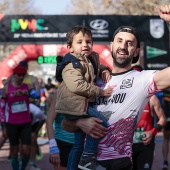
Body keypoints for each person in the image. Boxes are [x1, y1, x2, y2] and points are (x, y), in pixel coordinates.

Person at [61, 5, 170, 170]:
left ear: (136, 51)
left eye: (129, 43)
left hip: (119, 163)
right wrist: (82, 123)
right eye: (119, 41)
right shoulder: (90, 79)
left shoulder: (142, 79)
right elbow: (65, 124)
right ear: (111, 45)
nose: (123, 46)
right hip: (84, 164)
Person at [55, 25, 112, 170]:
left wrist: (104, 69)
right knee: (102, 123)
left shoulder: (89, 59)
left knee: (79, 143)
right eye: (79, 42)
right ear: (70, 47)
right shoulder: (71, 64)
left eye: (88, 41)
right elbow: (77, 86)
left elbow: (96, 67)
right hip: (76, 106)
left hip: (81, 105)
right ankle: (88, 157)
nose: (85, 45)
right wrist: (100, 92)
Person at [132, 65, 166, 170]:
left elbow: (162, 119)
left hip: (145, 146)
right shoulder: (123, 99)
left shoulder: (151, 98)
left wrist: (153, 132)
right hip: (126, 147)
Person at [1, 64, 32, 170]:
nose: (21, 77)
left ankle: (22, 168)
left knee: (27, 150)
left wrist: (26, 93)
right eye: (19, 75)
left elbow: (36, 96)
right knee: (14, 150)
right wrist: (3, 126)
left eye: (23, 75)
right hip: (12, 124)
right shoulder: (6, 89)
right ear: (14, 75)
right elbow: (2, 108)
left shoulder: (27, 86)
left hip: (26, 122)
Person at [47, 91, 74, 170]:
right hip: (63, 143)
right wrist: (53, 147)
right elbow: (49, 121)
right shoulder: (60, 93)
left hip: (82, 144)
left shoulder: (87, 89)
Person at [161, 88, 170, 170]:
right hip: (168, 118)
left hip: (167, 117)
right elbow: (163, 104)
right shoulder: (165, 91)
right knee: (166, 139)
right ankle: (165, 161)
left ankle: (165, 162)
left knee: (166, 139)